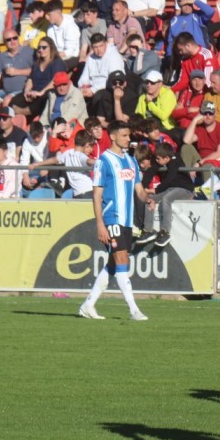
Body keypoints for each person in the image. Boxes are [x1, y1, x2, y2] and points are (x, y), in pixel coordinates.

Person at [78, 121, 149, 321]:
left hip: (127, 220)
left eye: (129, 135)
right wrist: (100, 224)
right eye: (125, 135)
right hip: (112, 218)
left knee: (111, 264)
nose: (128, 139)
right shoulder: (104, 161)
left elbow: (140, 190)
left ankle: (88, 305)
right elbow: (96, 195)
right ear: (114, 137)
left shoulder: (131, 160)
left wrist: (149, 199)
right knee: (122, 260)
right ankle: (134, 309)